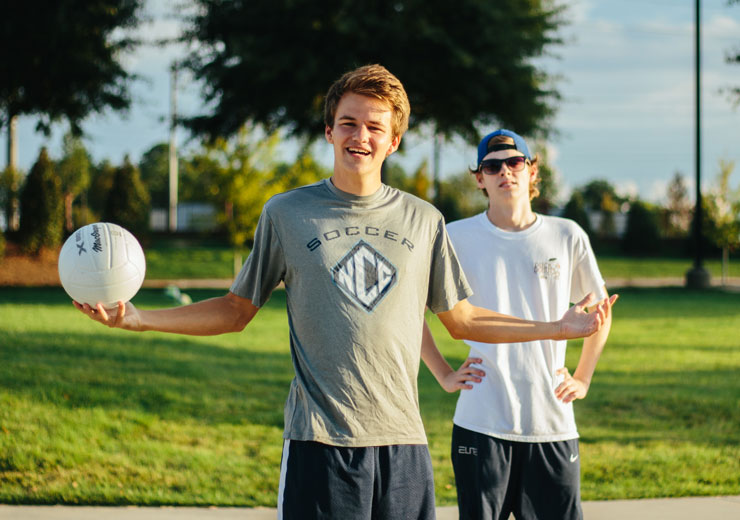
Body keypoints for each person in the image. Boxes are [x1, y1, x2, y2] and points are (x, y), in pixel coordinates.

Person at [74, 67, 614, 520]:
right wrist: (136, 318)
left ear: (393, 140)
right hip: (320, 443)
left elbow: (464, 320)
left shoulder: (423, 220)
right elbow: (236, 310)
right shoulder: (286, 213)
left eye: (375, 126)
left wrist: (561, 328)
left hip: (405, 447)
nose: (361, 136)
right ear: (329, 131)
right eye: (349, 122)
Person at [425, 129, 615, 520]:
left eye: (514, 162)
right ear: (479, 178)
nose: (504, 172)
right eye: (492, 166)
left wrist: (583, 377)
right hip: (481, 420)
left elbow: (600, 313)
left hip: (552, 422)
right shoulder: (455, 237)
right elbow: (410, 310)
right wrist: (442, 373)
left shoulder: (566, 235)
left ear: (532, 171)